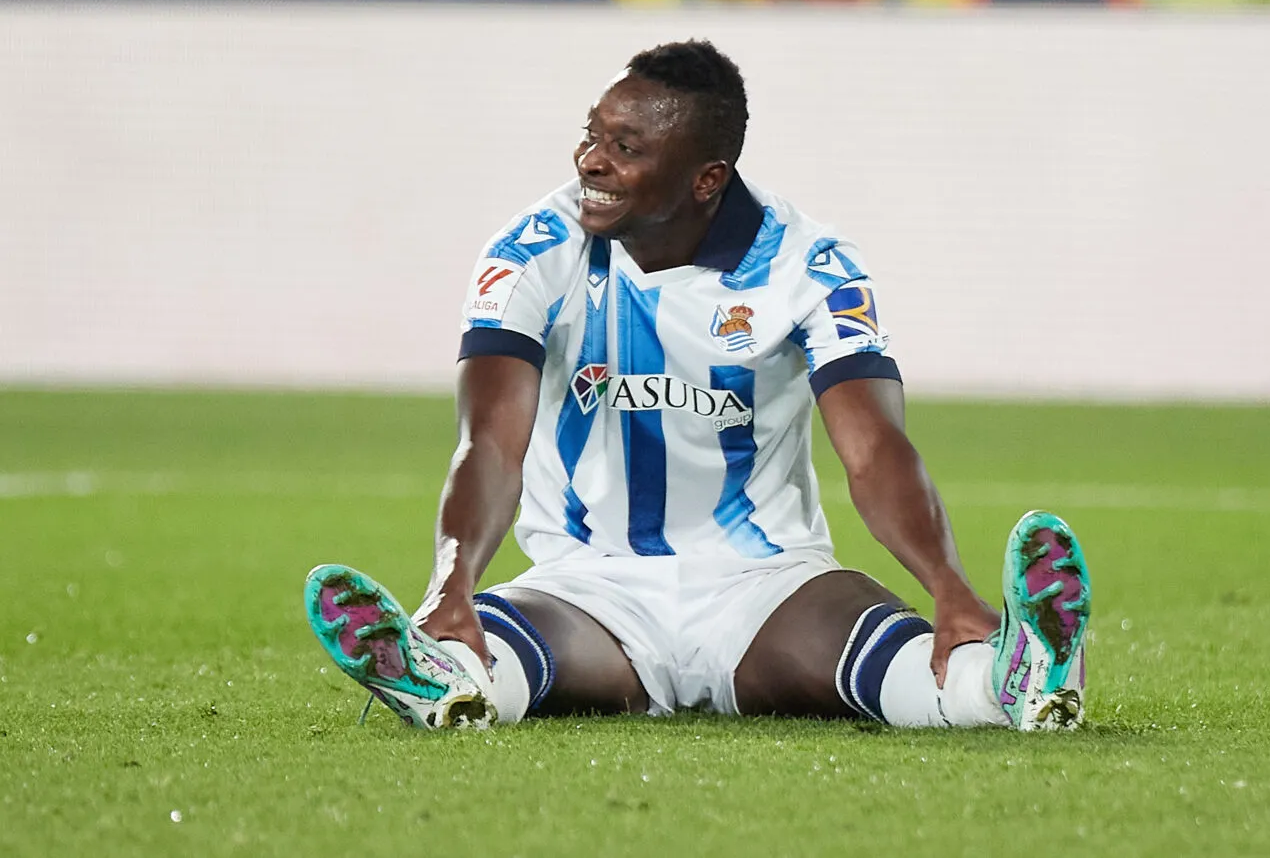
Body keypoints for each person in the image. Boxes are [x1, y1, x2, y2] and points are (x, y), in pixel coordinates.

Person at [305, 40, 1091, 732]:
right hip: (589, 582)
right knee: (497, 639)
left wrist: (948, 584)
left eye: (625, 146)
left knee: (901, 657)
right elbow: (490, 442)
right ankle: (442, 674)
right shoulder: (532, 250)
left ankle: (1013, 683)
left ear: (706, 177)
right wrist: (453, 582)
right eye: (591, 133)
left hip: (764, 583)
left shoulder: (808, 265)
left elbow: (874, 448)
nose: (590, 160)